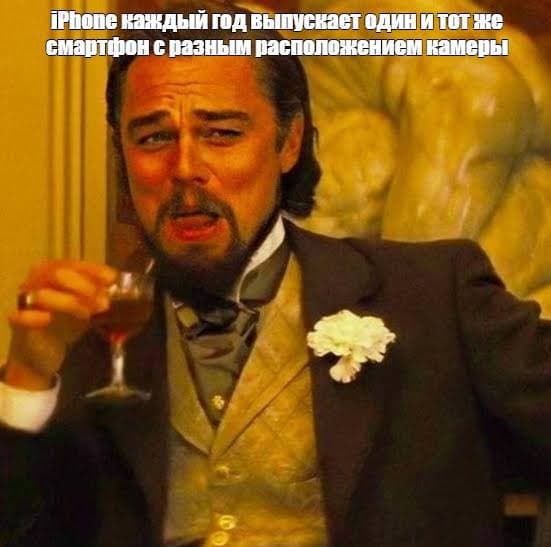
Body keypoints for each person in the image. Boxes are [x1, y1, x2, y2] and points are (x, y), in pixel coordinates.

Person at [1, 1, 550, 546]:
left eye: (221, 133)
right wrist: (27, 377)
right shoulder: (86, 339)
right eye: (153, 138)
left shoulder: (435, 295)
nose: (185, 168)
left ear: (288, 142)